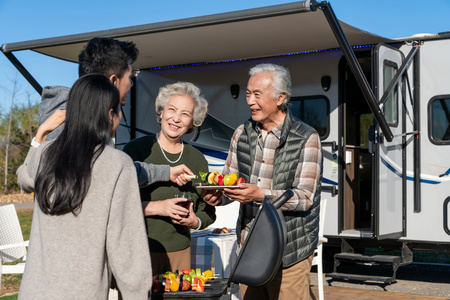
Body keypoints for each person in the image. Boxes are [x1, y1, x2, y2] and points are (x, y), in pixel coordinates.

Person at [16, 74, 152, 299]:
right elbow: (128, 252)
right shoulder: (117, 164)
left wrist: (40, 135)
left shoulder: (44, 154)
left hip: (33, 292)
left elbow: (24, 177)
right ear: (110, 115)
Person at [202, 63, 323, 300]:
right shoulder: (241, 133)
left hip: (290, 248)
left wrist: (261, 195)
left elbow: (305, 197)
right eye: (248, 93)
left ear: (280, 98)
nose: (250, 101)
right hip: (250, 246)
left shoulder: (307, 137)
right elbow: (231, 184)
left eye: (258, 94)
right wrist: (218, 196)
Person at [123, 82, 216, 274]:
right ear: (161, 112)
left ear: (193, 121)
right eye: (172, 110)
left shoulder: (197, 160)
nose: (176, 118)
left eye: (185, 114)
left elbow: (207, 210)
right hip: (139, 250)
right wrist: (160, 207)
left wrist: (195, 222)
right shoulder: (136, 150)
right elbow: (119, 204)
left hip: (180, 254)